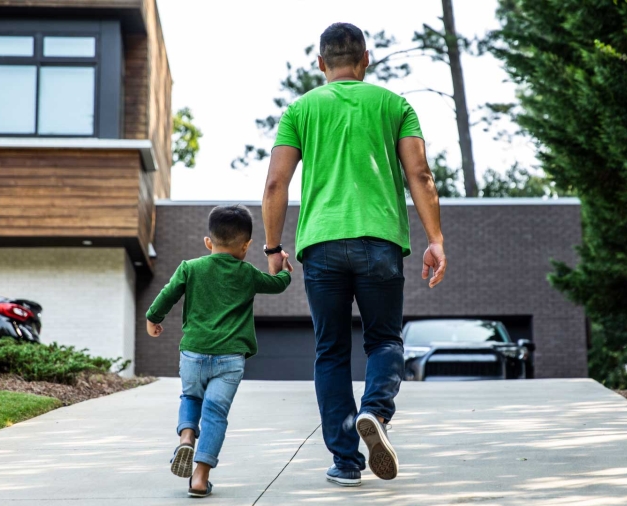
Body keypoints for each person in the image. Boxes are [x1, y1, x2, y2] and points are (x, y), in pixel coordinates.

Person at [261, 22, 447, 487]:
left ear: (321, 63)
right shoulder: (394, 105)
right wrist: (436, 239)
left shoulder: (300, 110)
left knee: (331, 352)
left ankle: (345, 463)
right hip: (379, 242)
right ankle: (376, 413)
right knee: (384, 340)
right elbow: (420, 175)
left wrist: (271, 247)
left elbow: (275, 184)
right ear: (367, 59)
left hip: (321, 246)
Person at [145, 205, 292, 498]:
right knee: (215, 413)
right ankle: (200, 478)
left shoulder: (191, 268)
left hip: (194, 354)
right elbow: (276, 285)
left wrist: (153, 318)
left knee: (190, 396)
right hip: (230, 359)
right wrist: (283, 271)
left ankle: (186, 436)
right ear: (246, 245)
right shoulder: (247, 273)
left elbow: (167, 294)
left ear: (208, 242)